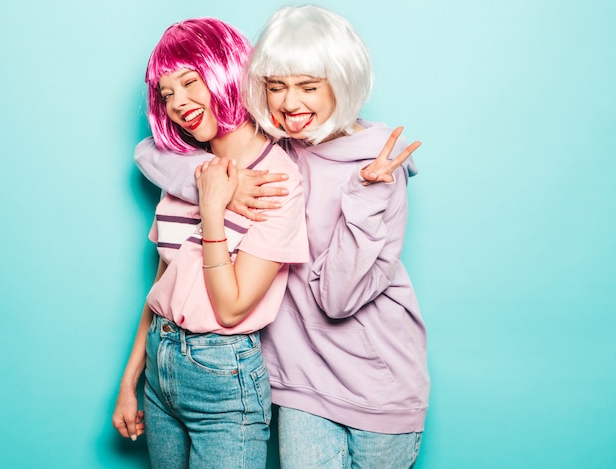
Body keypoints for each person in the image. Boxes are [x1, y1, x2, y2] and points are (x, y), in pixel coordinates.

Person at [134, 6, 429, 468]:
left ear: (342, 83)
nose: (291, 104)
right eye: (276, 87)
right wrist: (214, 180)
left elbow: (337, 298)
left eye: (309, 87)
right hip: (297, 380)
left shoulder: (380, 165)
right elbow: (152, 151)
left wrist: (366, 195)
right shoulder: (274, 143)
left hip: (376, 384)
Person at [111, 18, 308, 469]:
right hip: (161, 365)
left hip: (223, 375)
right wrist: (130, 380)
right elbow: (166, 281)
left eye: (189, 81)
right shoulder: (190, 168)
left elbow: (233, 307)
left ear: (223, 69)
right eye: (166, 94)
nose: (178, 103)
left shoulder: (276, 180)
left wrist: (214, 208)